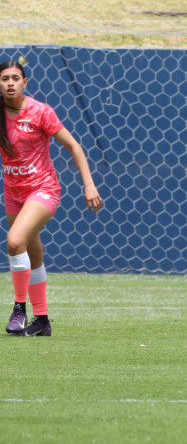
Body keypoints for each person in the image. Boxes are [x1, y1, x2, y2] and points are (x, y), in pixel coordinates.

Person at [3, 59, 103, 337]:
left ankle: (19, 309)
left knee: (14, 242)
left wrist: (89, 185)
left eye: (15, 78)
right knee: (32, 254)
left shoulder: (40, 112)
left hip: (43, 190)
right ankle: (42, 320)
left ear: (25, 83)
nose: (10, 83)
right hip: (13, 194)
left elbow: (73, 146)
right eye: (4, 79)